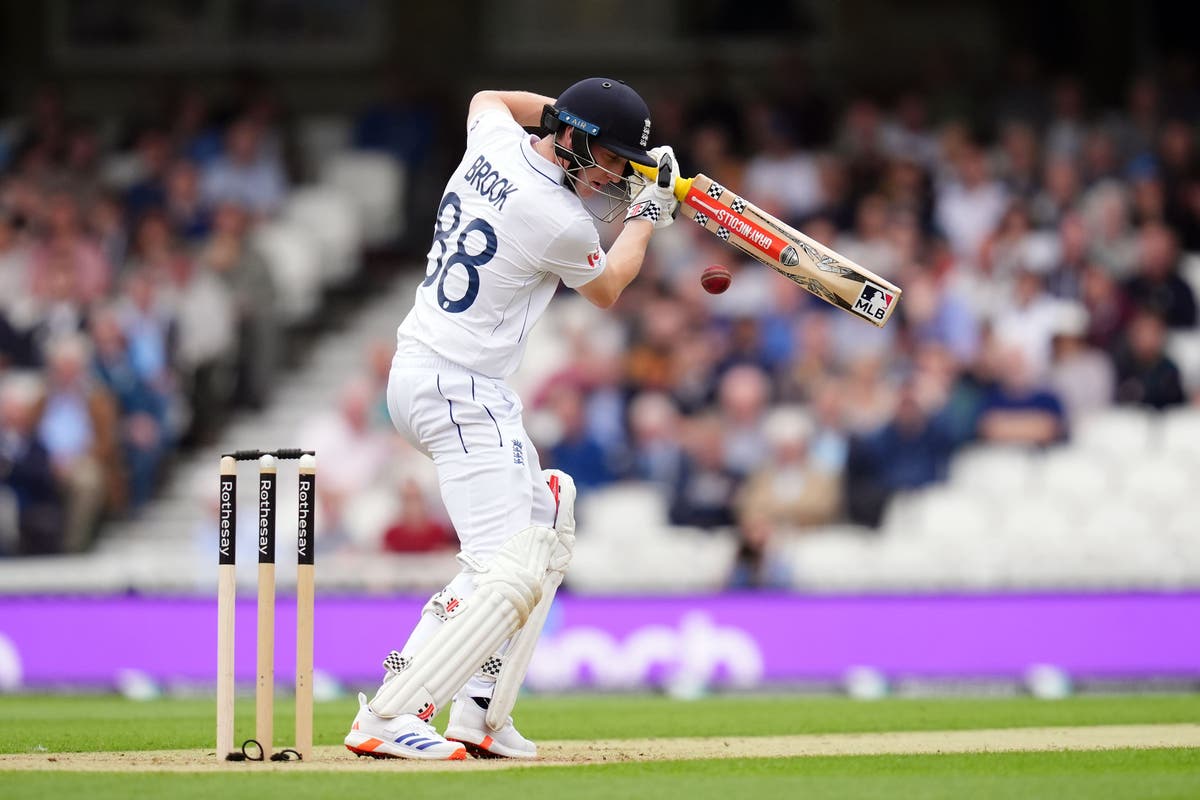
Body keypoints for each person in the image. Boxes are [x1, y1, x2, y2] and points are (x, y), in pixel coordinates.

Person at [343, 78, 679, 761]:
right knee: (504, 566)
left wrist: (559, 114)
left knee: (548, 517)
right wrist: (650, 212)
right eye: (610, 157)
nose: (614, 173)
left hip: (431, 371)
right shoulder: (557, 218)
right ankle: (392, 711)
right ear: (576, 139)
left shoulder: (492, 141)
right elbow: (610, 287)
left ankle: (482, 715)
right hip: (460, 388)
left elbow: (488, 97)